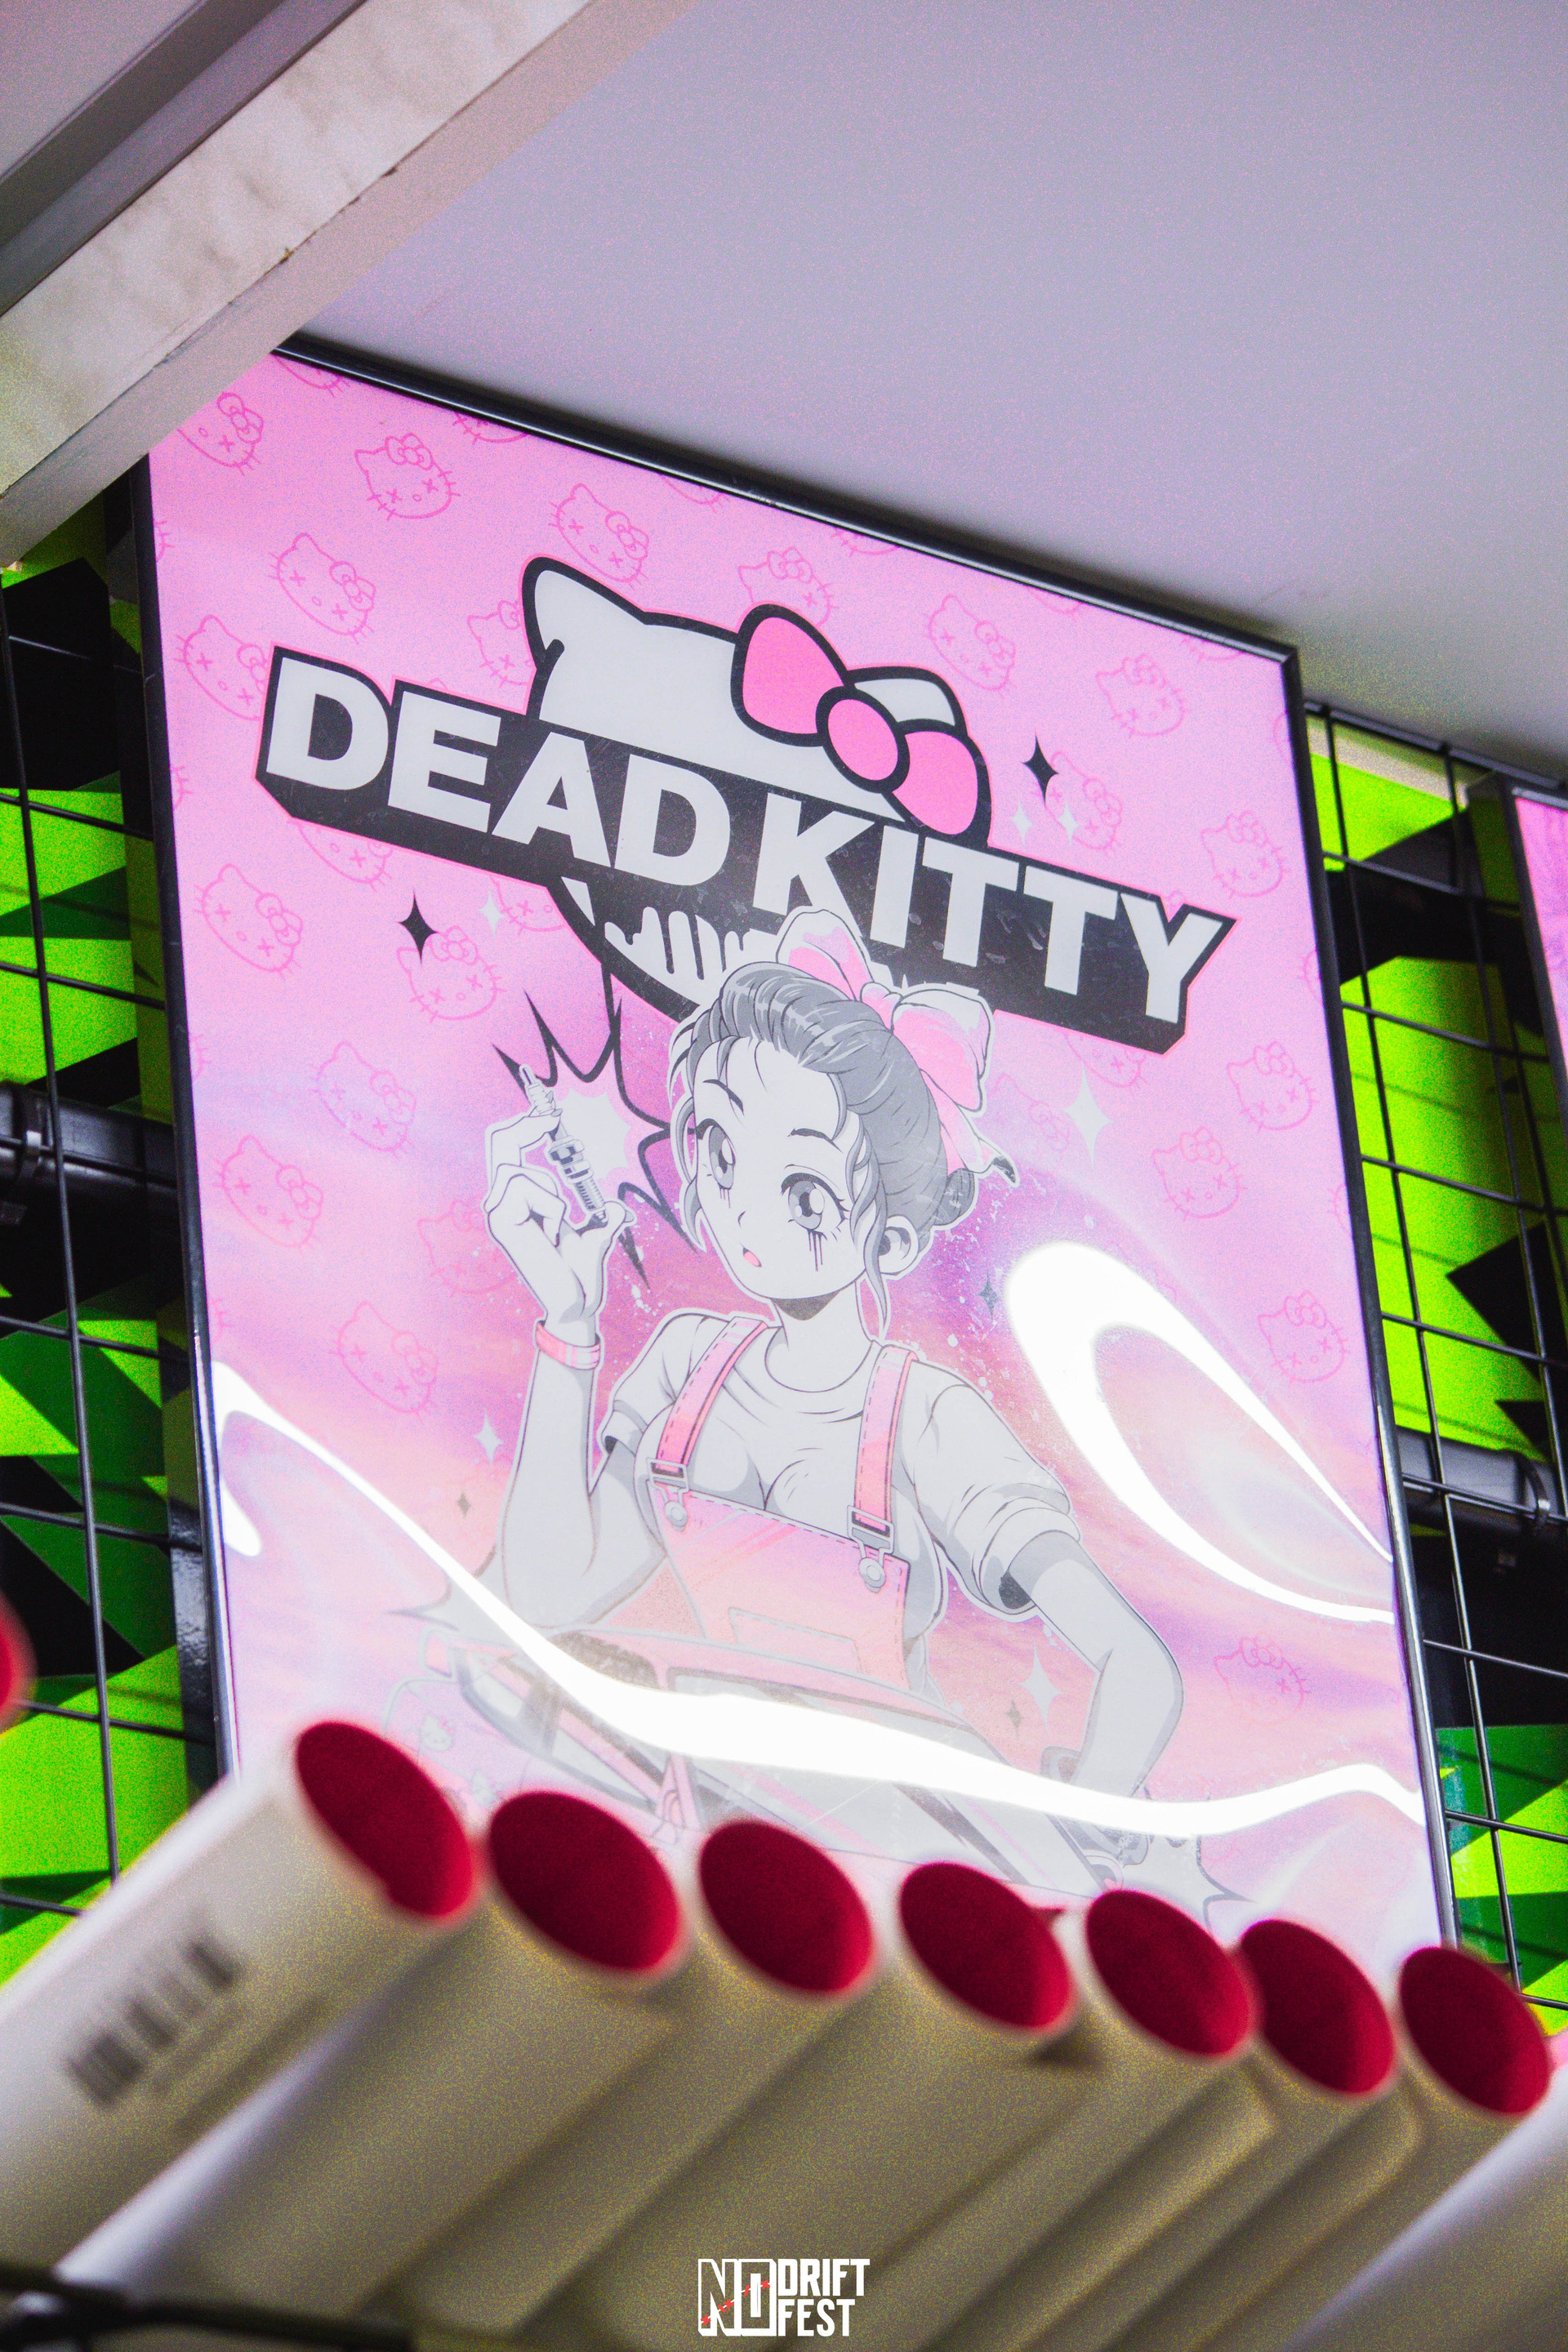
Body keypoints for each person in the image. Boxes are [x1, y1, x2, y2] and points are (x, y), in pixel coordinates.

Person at [483, 906, 1184, 1892]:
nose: (742, 1208)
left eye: (805, 1191)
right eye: (720, 1150)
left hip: (900, 1856)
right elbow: (547, 1596)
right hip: (713, 1819)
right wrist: (568, 1328)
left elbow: (1137, 1664)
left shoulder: (928, 1418)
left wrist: (1078, 1831)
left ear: (889, 1241)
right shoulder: (690, 1365)